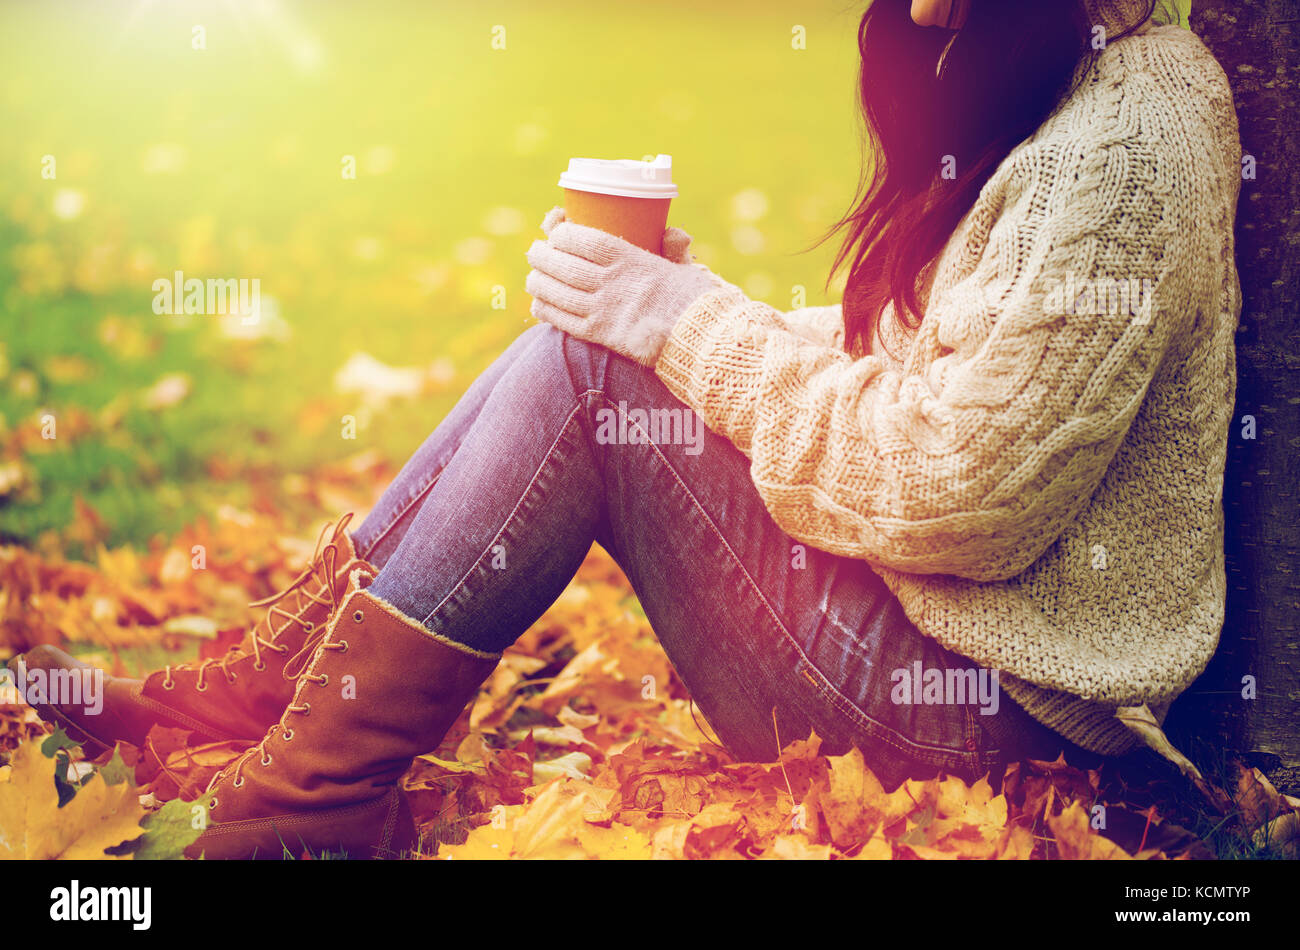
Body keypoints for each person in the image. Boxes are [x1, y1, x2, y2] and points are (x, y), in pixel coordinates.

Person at [13, 0, 1241, 859]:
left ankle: (306, 783)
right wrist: (694, 316)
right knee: (598, 350)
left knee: (599, 371)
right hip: (950, 649)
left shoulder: (1121, 151)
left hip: (987, 722)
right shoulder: (1088, 77)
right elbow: (943, 368)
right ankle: (267, 697)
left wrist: (683, 325)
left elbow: (952, 492)